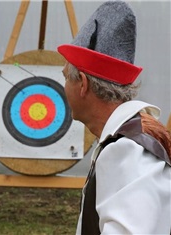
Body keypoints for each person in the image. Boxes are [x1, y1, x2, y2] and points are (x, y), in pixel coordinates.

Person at [57, 1, 171, 234]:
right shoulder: (128, 137)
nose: (63, 87)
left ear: (83, 85)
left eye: (66, 77)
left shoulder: (127, 151)